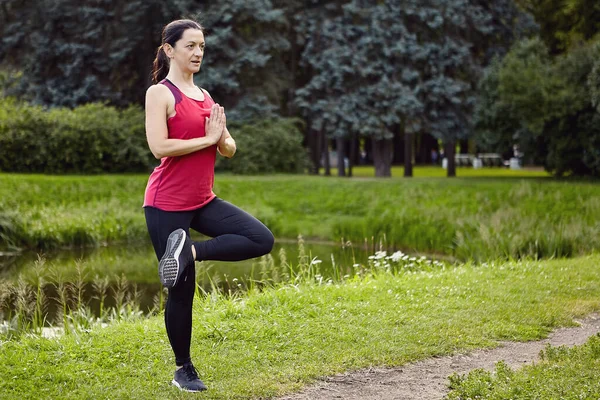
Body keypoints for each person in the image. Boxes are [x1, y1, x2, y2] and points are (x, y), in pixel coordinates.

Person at [143, 19, 274, 392]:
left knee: (259, 238)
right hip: (166, 203)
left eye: (202, 46)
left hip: (203, 199)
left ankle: (189, 252)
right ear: (170, 50)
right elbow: (160, 147)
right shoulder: (161, 94)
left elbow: (228, 146)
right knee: (181, 289)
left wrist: (223, 141)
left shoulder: (205, 96)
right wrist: (208, 139)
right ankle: (183, 369)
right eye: (190, 46)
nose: (198, 52)